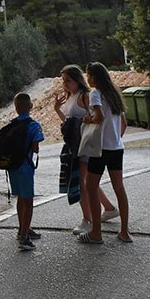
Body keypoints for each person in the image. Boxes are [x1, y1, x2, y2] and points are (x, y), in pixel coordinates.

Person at [54, 64, 117, 236]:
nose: (65, 84)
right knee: (89, 181)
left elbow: (94, 118)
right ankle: (109, 208)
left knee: (82, 182)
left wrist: (85, 121)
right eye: (63, 80)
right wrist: (57, 110)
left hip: (85, 144)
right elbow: (68, 121)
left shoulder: (85, 96)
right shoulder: (71, 96)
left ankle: (87, 220)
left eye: (68, 80)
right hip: (74, 143)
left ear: (77, 80)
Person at [79, 62, 132, 244]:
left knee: (90, 186)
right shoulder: (114, 94)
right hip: (116, 148)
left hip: (100, 149)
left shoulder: (95, 93)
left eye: (88, 75)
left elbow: (99, 117)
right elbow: (123, 124)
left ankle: (96, 233)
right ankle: (124, 231)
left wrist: (89, 119)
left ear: (93, 77)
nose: (87, 79)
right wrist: (115, 137)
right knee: (119, 188)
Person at [7, 92, 44, 251]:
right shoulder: (34, 125)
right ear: (31, 106)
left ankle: (22, 228)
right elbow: (35, 148)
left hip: (12, 167)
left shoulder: (11, 124)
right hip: (25, 167)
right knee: (28, 202)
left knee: (20, 199)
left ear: (15, 108)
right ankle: (24, 238)